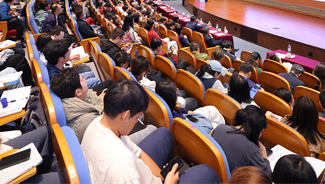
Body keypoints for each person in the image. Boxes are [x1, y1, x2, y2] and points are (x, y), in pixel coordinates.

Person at [80, 79, 221, 184]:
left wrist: (161, 176)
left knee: (164, 133)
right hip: (130, 171)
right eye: (136, 118)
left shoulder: (99, 123)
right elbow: (128, 165)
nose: (137, 121)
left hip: (138, 171)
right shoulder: (124, 171)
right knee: (208, 172)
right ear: (125, 116)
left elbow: (138, 153)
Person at [50, 67, 117, 143]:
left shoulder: (69, 100)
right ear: (78, 92)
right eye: (82, 80)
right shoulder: (89, 119)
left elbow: (91, 96)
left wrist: (98, 99)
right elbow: (109, 123)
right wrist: (101, 100)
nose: (85, 80)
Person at [211, 106, 271, 174]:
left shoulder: (219, 128)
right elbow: (266, 176)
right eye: (261, 131)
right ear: (256, 130)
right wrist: (264, 158)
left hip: (213, 170)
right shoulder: (251, 149)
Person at [156, 78, 223, 133]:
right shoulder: (177, 120)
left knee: (212, 109)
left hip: (187, 118)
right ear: (172, 98)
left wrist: (186, 111)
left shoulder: (163, 107)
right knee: (218, 122)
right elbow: (192, 130)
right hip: (194, 130)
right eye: (176, 91)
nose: (177, 91)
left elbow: (176, 108)